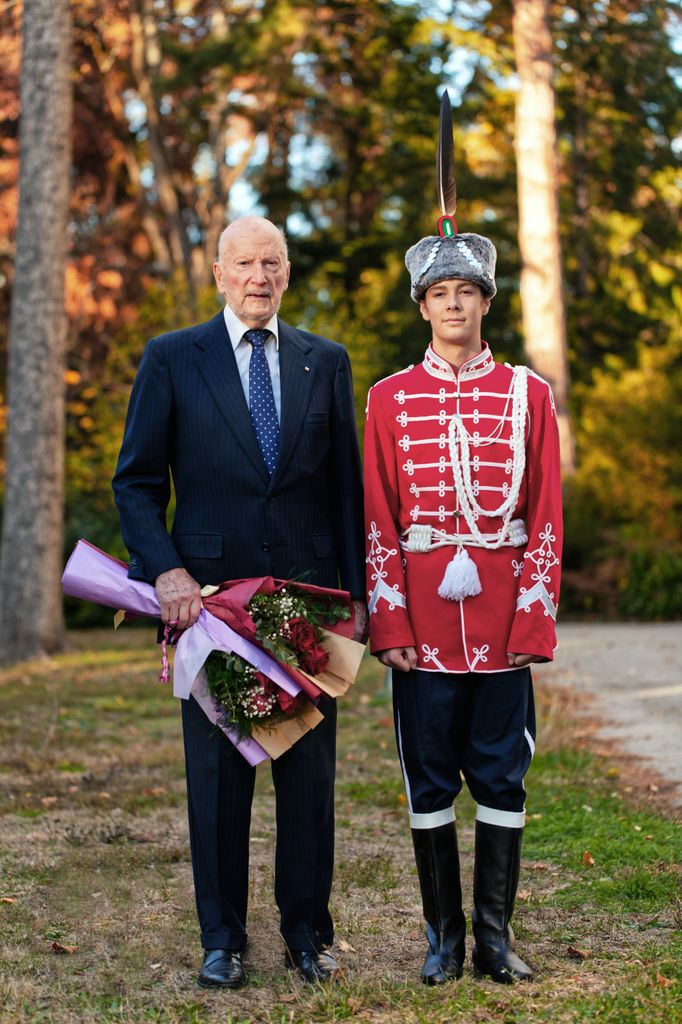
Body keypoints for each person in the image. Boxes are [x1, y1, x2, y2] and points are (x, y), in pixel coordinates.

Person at [113, 216, 366, 988]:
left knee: (307, 780)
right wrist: (167, 574)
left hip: (307, 606)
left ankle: (305, 935)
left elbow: (346, 494)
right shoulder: (172, 359)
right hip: (214, 609)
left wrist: (360, 604)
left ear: (287, 274)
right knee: (221, 780)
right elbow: (136, 483)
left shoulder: (326, 361)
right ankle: (221, 940)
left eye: (273, 263)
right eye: (245, 263)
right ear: (219, 275)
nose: (260, 276)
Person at [364, 215, 562, 983]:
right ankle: (444, 941)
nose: (453, 306)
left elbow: (544, 515)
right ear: (423, 307)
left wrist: (533, 618)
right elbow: (380, 518)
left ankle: (495, 940)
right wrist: (390, 623)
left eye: (466, 293)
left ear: (485, 303)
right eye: (439, 294)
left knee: (502, 776)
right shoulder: (387, 398)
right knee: (430, 777)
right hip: (421, 628)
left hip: (503, 620)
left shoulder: (528, 393)